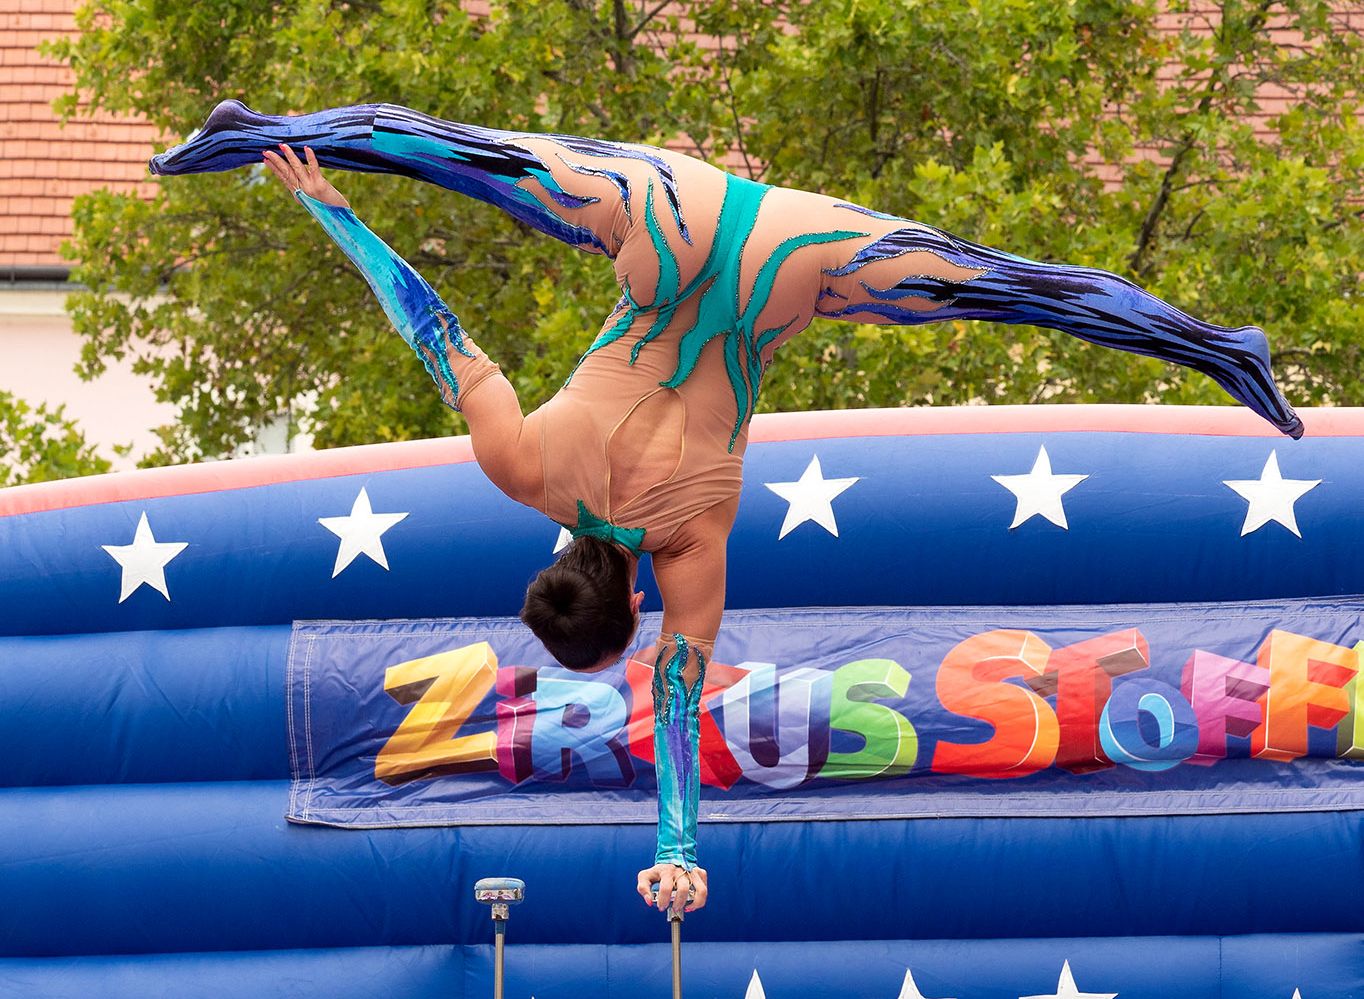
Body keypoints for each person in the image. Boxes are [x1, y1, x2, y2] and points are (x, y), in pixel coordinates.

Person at [152, 100, 1303, 916]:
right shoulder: (524, 467)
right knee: (471, 159)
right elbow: (431, 325)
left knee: (1003, 290)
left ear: (632, 605)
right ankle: (263, 134)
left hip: (791, 265)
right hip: (670, 219)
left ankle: (1214, 345)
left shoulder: (689, 546)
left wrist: (679, 848)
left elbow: (675, 702)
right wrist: (330, 209)